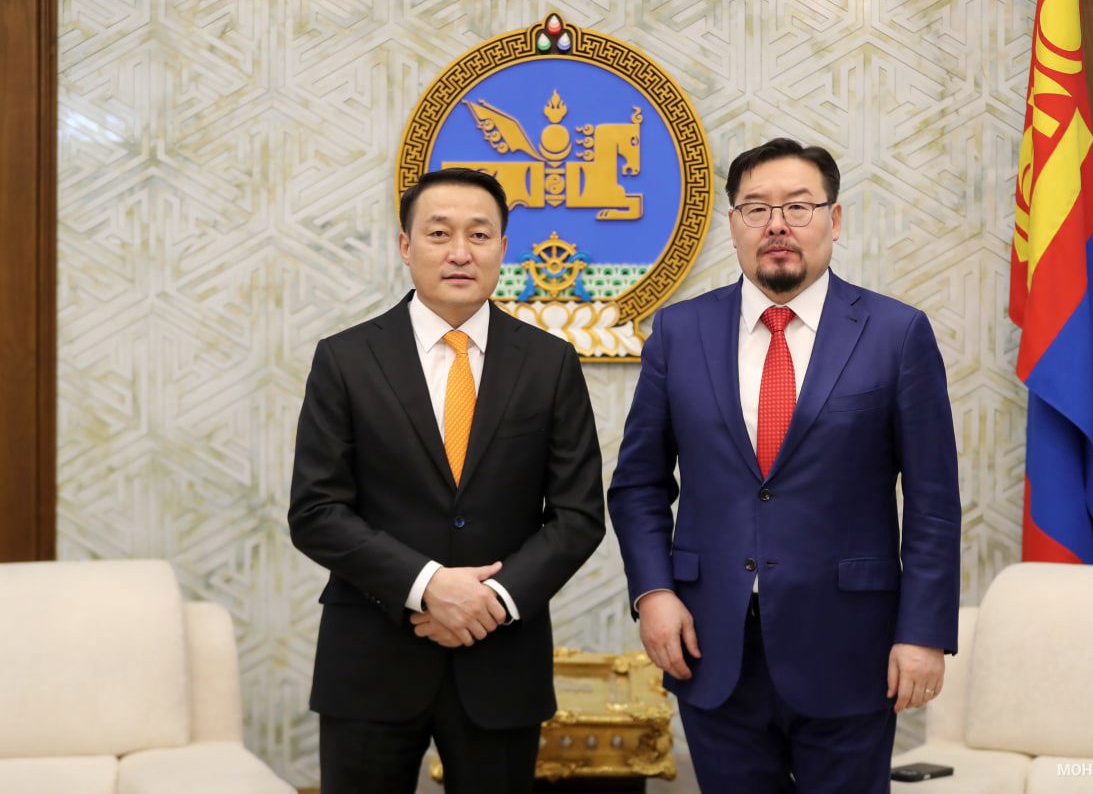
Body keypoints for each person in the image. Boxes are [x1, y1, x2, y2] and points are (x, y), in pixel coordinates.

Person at [607, 138, 961, 793]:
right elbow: (637, 487)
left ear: (835, 218)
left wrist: (923, 633)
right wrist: (653, 594)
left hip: (850, 645)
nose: (777, 224)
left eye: (798, 206)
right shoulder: (679, 332)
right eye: (756, 208)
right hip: (711, 644)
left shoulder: (895, 333)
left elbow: (933, 503)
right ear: (733, 223)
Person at [289, 167, 606, 794]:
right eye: (439, 233)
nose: (460, 252)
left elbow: (578, 516)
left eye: (479, 235)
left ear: (502, 248)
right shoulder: (346, 359)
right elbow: (316, 511)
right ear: (405, 246)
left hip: (500, 660)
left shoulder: (549, 363)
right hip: (372, 658)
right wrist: (427, 585)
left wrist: (493, 601)